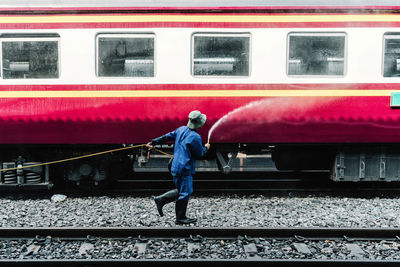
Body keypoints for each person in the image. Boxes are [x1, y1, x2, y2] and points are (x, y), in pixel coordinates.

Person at [146, 110, 211, 225]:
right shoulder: (195, 137)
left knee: (182, 190)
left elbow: (167, 137)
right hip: (184, 168)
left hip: (175, 165)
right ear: (199, 123)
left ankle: (160, 199)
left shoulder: (181, 129)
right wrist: (206, 147)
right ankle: (180, 218)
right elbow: (200, 154)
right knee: (186, 192)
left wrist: (153, 142)